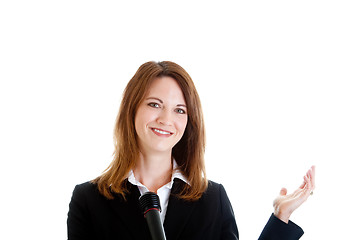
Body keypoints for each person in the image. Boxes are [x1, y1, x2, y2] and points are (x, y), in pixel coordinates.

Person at [67, 61, 316, 240]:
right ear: (132, 109)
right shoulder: (89, 200)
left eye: (179, 110)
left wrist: (280, 216)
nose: (166, 119)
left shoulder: (212, 199)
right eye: (155, 104)